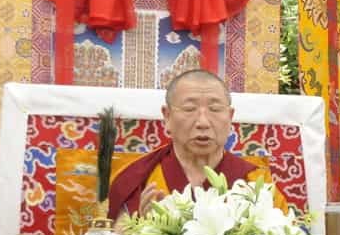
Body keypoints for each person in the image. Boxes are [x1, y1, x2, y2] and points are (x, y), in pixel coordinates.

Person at [108, 69, 270, 219]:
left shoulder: (254, 182)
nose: (203, 122)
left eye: (214, 109)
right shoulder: (137, 179)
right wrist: (142, 229)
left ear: (230, 117)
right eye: (189, 109)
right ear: (167, 116)